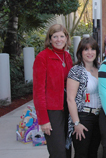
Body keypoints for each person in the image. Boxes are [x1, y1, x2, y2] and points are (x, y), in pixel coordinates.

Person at [33, 24, 73, 158]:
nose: (58, 39)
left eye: (62, 36)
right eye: (55, 36)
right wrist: (43, 119)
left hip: (67, 108)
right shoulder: (42, 57)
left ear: (66, 38)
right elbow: (38, 91)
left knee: (67, 149)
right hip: (52, 111)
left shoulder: (67, 56)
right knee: (58, 151)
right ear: (49, 39)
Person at [66, 36, 101, 158]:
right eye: (86, 49)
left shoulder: (101, 68)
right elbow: (70, 99)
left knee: (93, 153)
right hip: (83, 117)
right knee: (81, 154)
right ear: (81, 52)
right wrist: (76, 123)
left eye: (93, 49)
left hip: (99, 118)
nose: (90, 53)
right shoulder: (76, 71)